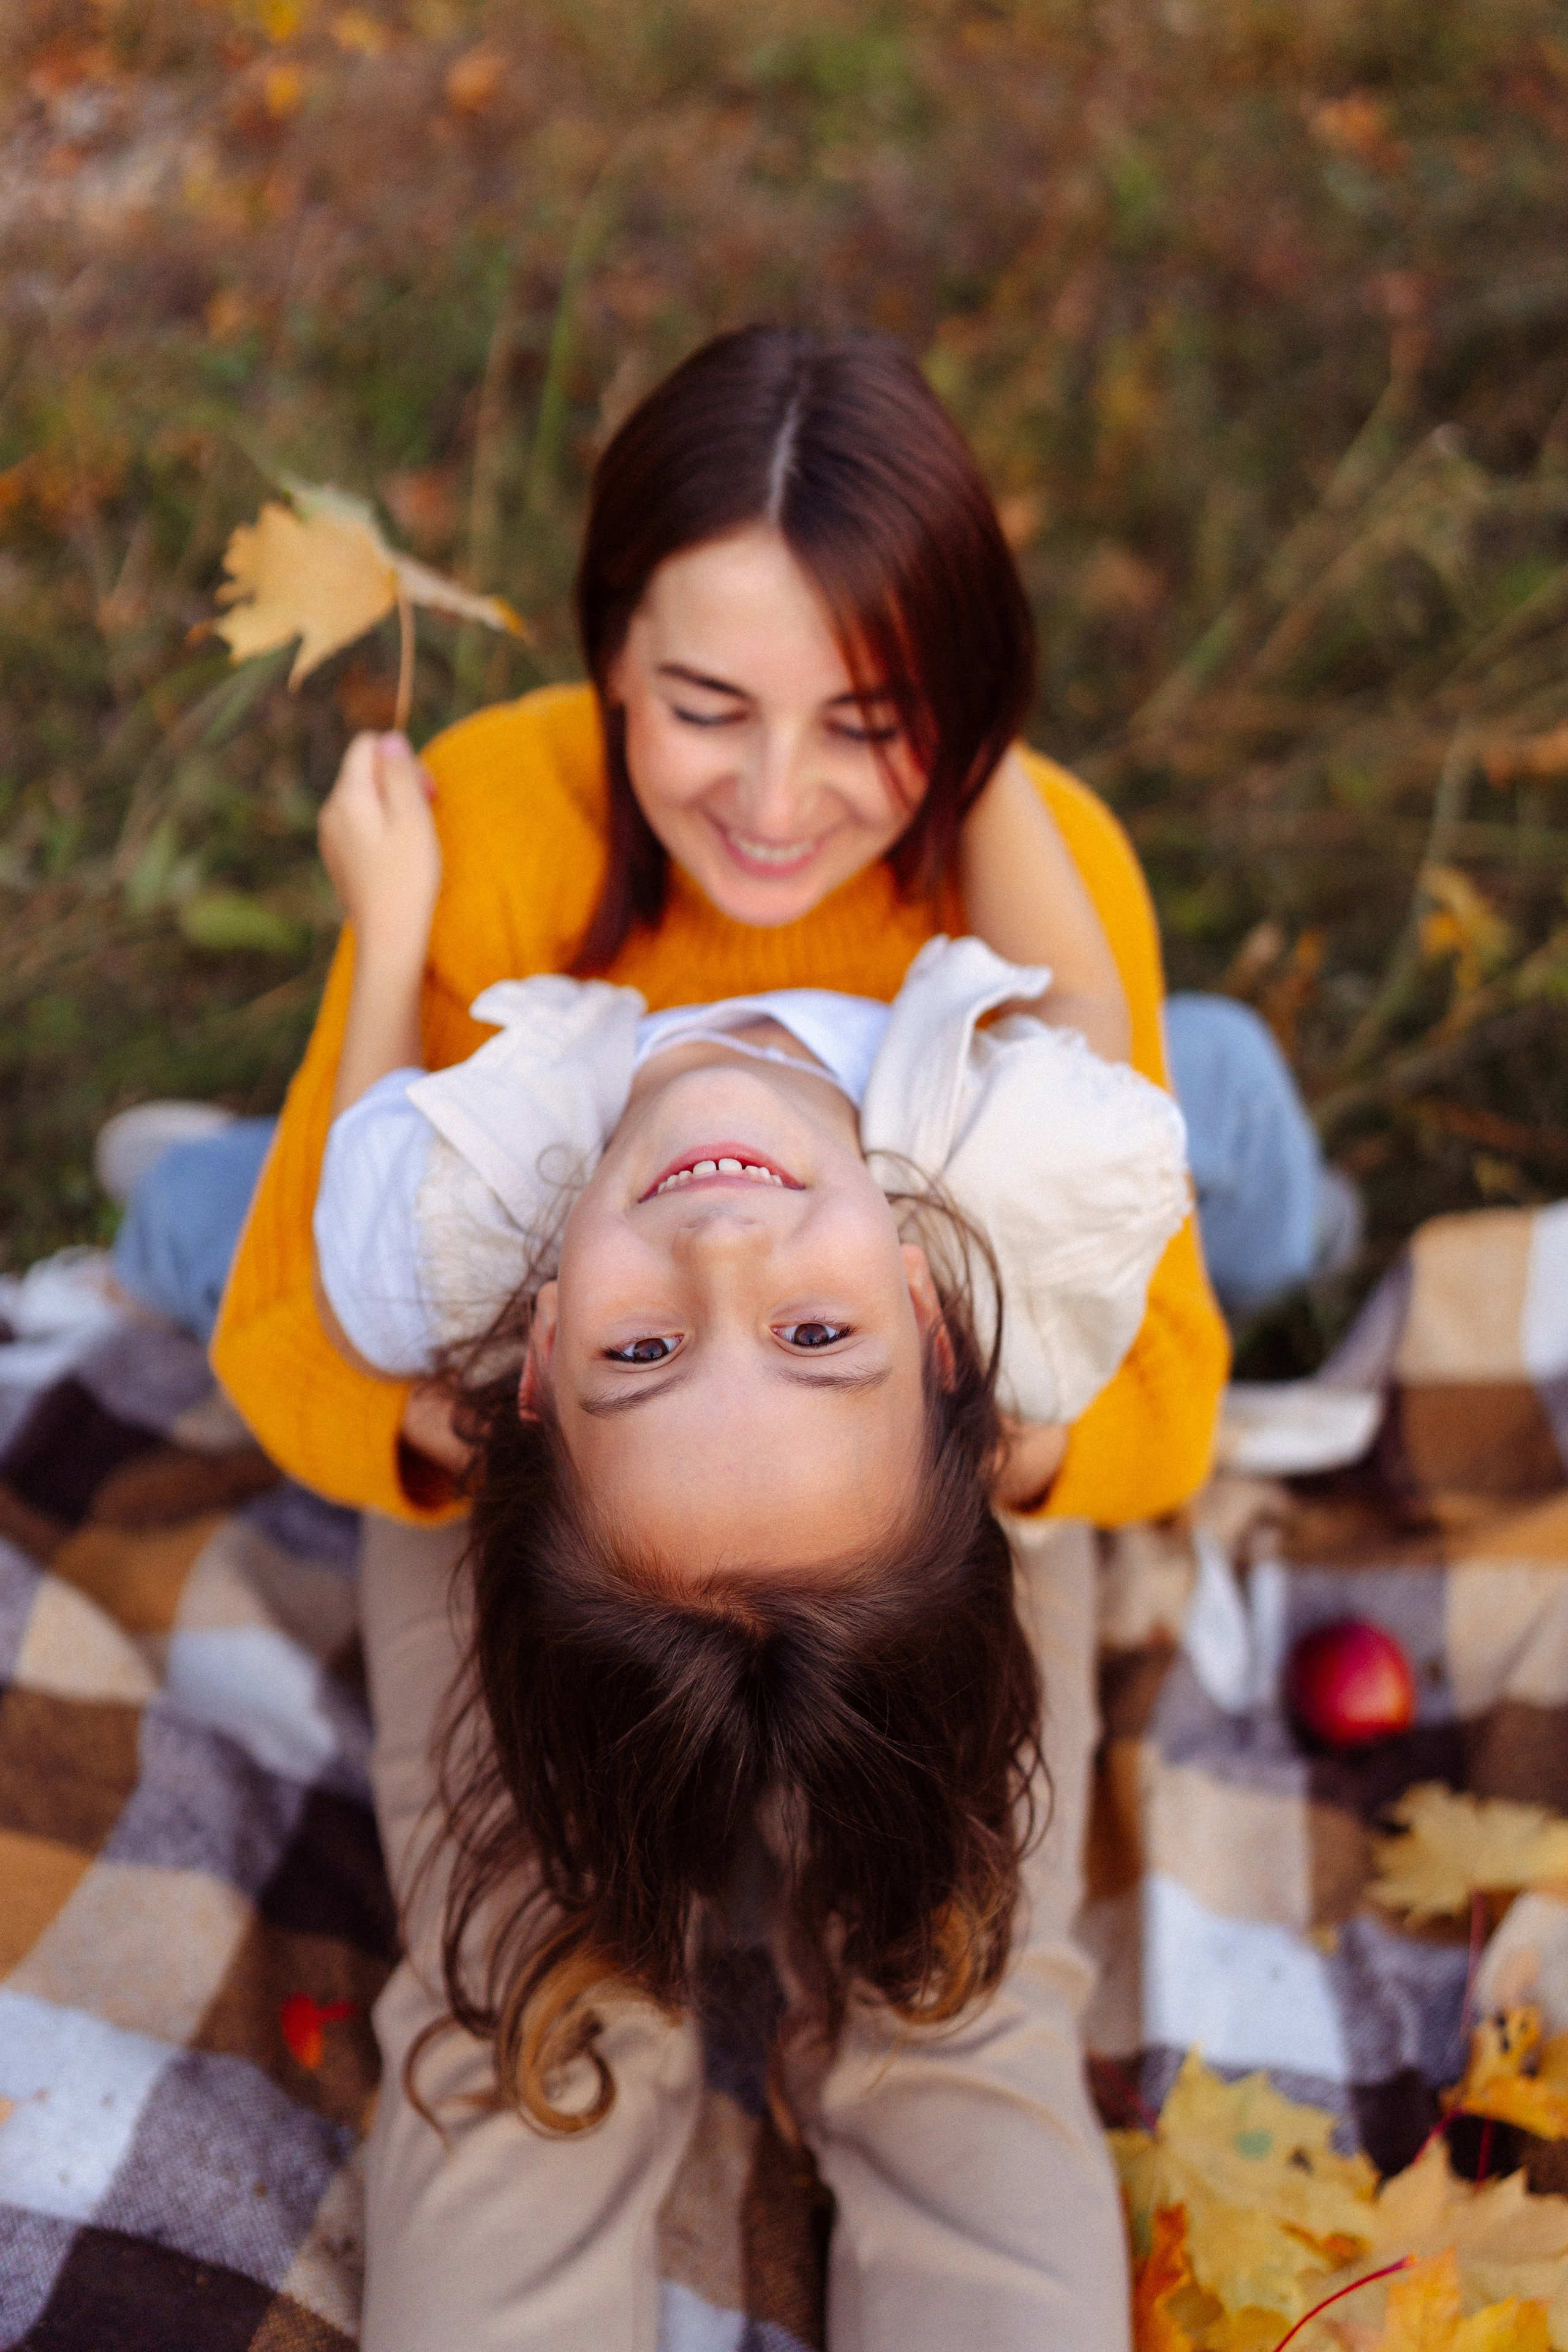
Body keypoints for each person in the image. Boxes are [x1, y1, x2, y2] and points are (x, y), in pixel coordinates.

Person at [115, 325, 1232, 2350]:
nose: (782, 804)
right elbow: (314, 1332)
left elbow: (1159, 1401)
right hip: (554, 1501)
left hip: (917, 1485)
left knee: (963, 2006)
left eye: (873, 721)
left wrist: (945, 1438)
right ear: (604, 656)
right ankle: (180, 1202)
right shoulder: (501, 830)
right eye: (705, 706)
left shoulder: (1033, 883)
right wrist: (509, 1415)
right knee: (519, 2013)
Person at [306, 721, 1189, 2149]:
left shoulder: (428, 1244)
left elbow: (359, 1152)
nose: (720, 1249)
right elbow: (1084, 985)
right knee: (1225, 1116)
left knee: (189, 1216)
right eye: (817, 1338)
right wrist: (967, 731)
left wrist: (390, 923)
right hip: (1101, 1078)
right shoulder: (1032, 1187)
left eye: (640, 1351)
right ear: (925, 1307)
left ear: (536, 1353)